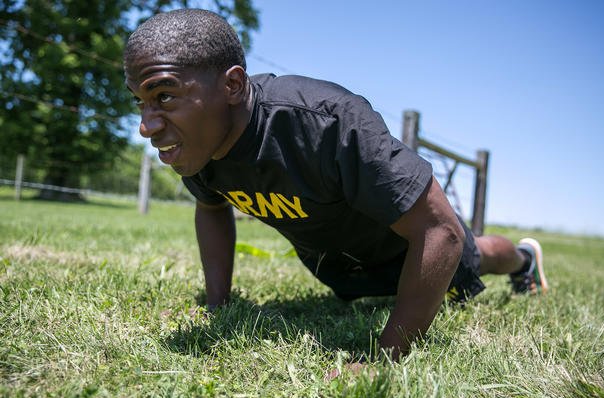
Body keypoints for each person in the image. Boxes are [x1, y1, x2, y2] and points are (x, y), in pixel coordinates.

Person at [123, 9, 548, 361]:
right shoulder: (200, 143)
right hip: (337, 267)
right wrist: (218, 304)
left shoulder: (326, 122)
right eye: (140, 102)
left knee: (483, 254)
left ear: (232, 85)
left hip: (414, 250)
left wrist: (386, 358)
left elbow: (441, 232)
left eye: (163, 96)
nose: (147, 125)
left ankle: (525, 260)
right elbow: (211, 207)